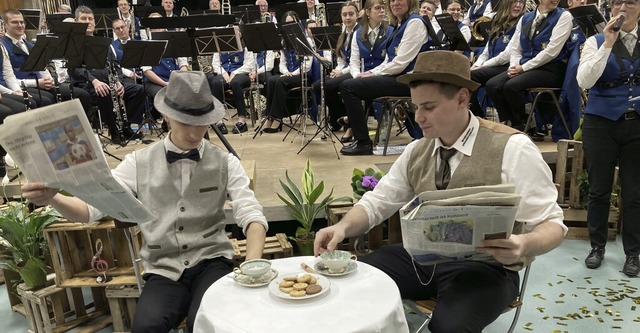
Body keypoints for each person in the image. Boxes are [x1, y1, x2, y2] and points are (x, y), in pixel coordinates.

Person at [314, 50, 566, 332]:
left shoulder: (512, 148)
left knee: (449, 327)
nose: (418, 117)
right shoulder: (417, 150)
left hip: (488, 269)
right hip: (423, 260)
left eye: (429, 107)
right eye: (415, 107)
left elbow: (552, 225)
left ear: (461, 98)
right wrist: (343, 227)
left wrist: (523, 245)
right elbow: (378, 202)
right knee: (354, 281)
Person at [21, 70, 269, 332]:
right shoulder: (137, 163)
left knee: (207, 321)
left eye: (202, 122)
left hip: (211, 261)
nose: (196, 133)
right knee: (145, 327)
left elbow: (252, 215)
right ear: (166, 115)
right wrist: (54, 197)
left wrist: (250, 266)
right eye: (186, 122)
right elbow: (89, 211)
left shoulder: (226, 162)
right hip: (163, 268)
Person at [576, 0, 640, 277]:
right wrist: (608, 44)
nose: (623, 7)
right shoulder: (596, 40)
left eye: (631, 2)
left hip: (637, 124)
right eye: (617, 2)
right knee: (599, 190)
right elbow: (584, 81)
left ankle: (634, 253)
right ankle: (597, 247)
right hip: (600, 123)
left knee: (635, 194)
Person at [339, 0, 430, 155]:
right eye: (392, 1)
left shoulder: (415, 23)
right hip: (399, 77)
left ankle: (363, 142)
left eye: (399, 0)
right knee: (352, 83)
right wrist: (369, 73)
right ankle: (360, 139)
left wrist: (373, 73)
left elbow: (400, 63)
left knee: (348, 87)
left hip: (409, 80)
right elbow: (390, 61)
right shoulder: (403, 24)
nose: (394, 3)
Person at [484, 0, 572, 130]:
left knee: (512, 86)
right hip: (526, 67)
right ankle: (512, 121)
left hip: (551, 68)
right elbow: (515, 48)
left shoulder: (564, 16)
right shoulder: (526, 18)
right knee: (492, 85)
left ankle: (521, 125)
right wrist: (513, 66)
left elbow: (551, 52)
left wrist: (523, 68)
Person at [68, 6, 146, 145]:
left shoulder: (104, 43)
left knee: (138, 90)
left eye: (90, 19)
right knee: (105, 91)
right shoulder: (72, 44)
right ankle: (115, 131)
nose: (88, 22)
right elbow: (75, 69)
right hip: (86, 85)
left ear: (95, 22)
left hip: (109, 82)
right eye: (83, 19)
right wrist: (95, 81)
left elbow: (115, 65)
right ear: (76, 21)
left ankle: (126, 126)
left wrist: (119, 82)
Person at [470, 0, 525, 117]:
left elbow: (506, 56)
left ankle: (483, 117)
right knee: (467, 76)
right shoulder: (498, 21)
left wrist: (482, 66)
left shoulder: (522, 22)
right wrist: (476, 64)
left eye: (521, 2)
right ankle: (477, 115)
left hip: (508, 65)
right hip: (494, 65)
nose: (518, 5)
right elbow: (486, 50)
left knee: (474, 77)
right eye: (514, 2)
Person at [311, 1, 359, 136]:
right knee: (318, 86)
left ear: (357, 15)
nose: (348, 17)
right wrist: (336, 70)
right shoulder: (343, 34)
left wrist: (341, 72)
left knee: (328, 86)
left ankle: (341, 118)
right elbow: (341, 60)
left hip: (356, 71)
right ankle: (339, 116)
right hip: (345, 70)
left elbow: (356, 62)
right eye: (345, 15)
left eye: (351, 14)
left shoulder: (359, 32)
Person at [261, 11, 311, 133]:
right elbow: (282, 63)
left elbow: (307, 65)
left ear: (298, 23)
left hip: (302, 75)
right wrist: (286, 71)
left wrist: (292, 74)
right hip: (289, 74)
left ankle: (277, 118)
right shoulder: (284, 42)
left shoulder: (306, 40)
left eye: (292, 23)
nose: (290, 26)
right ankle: (269, 116)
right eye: (287, 24)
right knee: (272, 80)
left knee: (280, 81)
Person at [1, 9, 55, 107]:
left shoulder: (31, 45)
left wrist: (49, 80)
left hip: (38, 83)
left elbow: (41, 67)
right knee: (45, 100)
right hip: (22, 85)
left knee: (75, 93)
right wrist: (36, 83)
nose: (20, 25)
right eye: (15, 22)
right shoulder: (3, 45)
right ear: (5, 25)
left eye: (22, 22)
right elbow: (8, 77)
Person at [210, 33, 254, 134]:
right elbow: (215, 64)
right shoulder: (219, 46)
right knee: (216, 82)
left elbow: (249, 65)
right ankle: (219, 120)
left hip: (241, 74)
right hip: (224, 74)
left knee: (235, 83)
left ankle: (242, 120)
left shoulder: (246, 47)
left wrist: (235, 72)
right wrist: (224, 73)